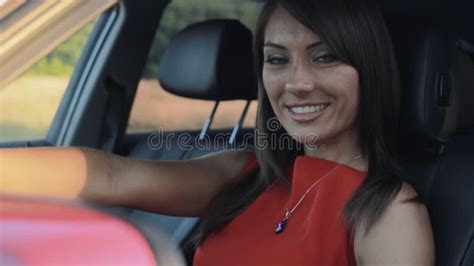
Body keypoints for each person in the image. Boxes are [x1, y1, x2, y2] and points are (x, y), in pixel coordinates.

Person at [1, 0, 434, 265]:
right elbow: (108, 177)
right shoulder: (244, 173)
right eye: (277, 59)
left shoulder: (388, 209)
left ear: (369, 69)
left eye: (325, 57)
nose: (297, 83)